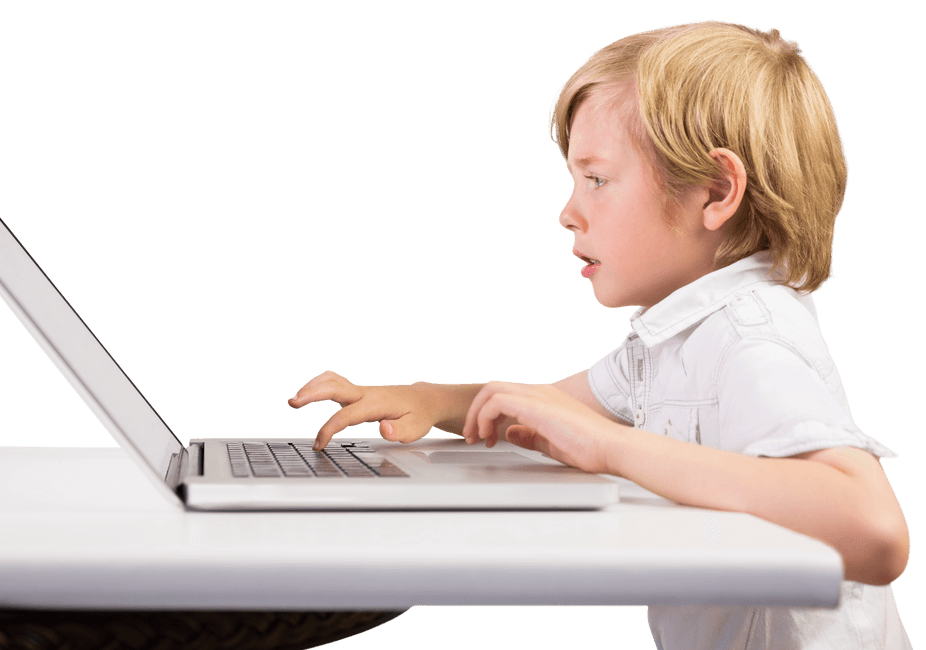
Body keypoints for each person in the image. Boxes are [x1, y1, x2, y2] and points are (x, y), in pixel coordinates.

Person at [287, 18, 912, 649]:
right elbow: (549, 415)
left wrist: (612, 448)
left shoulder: (750, 338)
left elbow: (875, 531)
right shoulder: (672, 336)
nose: (568, 212)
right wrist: (435, 401)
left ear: (715, 191)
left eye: (597, 180)